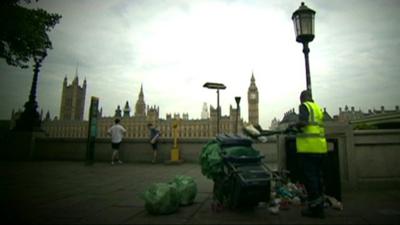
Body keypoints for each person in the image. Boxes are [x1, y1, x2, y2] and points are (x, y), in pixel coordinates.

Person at [292, 90, 328, 218]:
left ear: (302, 98)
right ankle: (320, 207)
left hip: (309, 149)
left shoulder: (304, 106)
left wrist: (294, 125)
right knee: (318, 179)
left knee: (310, 180)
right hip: (321, 148)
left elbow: (304, 123)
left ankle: (315, 210)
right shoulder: (318, 108)